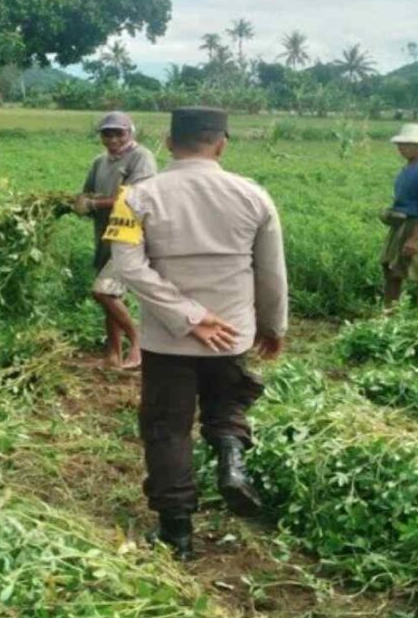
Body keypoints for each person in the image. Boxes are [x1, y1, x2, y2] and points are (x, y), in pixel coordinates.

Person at [106, 107, 288, 560]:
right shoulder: (255, 195)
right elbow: (271, 272)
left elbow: (128, 268)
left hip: (167, 340)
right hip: (233, 332)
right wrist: (274, 326)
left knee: (167, 429)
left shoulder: (132, 198)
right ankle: (231, 461)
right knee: (226, 406)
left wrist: (188, 316)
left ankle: (177, 534)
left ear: (169, 143)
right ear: (221, 143)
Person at [74, 111, 157, 369]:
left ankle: (138, 340)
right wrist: (75, 202)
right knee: (110, 294)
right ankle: (113, 356)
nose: (112, 139)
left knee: (104, 292)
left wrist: (94, 203)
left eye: (118, 133)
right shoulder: (100, 161)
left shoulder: (141, 157)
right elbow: (87, 192)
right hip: (104, 236)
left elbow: (136, 198)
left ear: (130, 132)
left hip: (129, 237)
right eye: (106, 134)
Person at [380, 123, 418, 309]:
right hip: (401, 225)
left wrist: (415, 239)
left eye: (407, 144)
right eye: (400, 144)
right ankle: (390, 314)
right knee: (391, 269)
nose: (401, 148)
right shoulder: (408, 168)